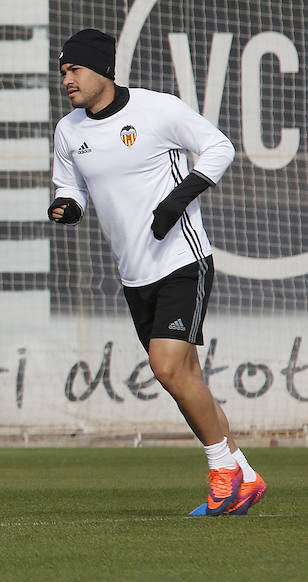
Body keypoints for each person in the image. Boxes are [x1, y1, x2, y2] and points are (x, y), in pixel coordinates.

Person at [49, 29, 266, 516]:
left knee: (167, 367)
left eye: (74, 69)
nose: (67, 79)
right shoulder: (69, 131)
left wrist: (176, 201)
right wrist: (68, 205)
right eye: (62, 71)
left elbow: (219, 147)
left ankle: (223, 471)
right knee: (184, 379)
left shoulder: (156, 109)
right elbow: (71, 184)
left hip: (182, 260)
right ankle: (245, 476)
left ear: (103, 69)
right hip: (133, 274)